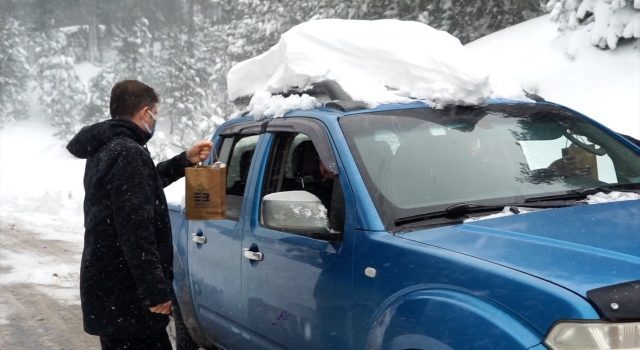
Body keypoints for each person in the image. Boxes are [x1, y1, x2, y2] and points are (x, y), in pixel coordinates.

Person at [66, 80, 212, 350]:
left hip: (113, 290)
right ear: (146, 113)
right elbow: (135, 231)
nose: (155, 119)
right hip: (128, 297)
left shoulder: (109, 148)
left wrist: (183, 161)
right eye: (155, 112)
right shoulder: (127, 153)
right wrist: (155, 293)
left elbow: (140, 187)